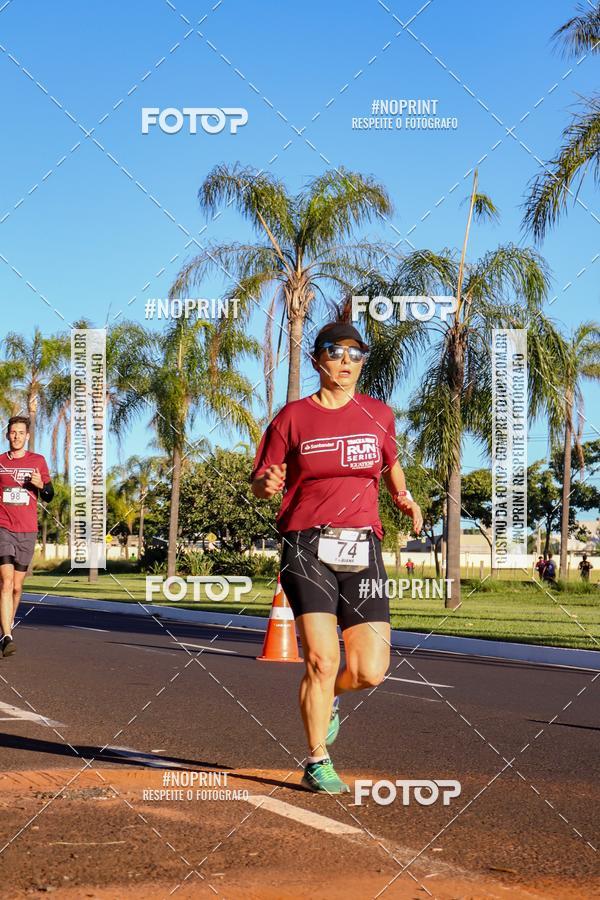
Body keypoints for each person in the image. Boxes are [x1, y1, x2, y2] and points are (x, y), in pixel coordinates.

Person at [250, 322, 422, 793]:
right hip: (307, 544)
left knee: (370, 670)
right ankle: (316, 758)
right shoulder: (292, 417)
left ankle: (329, 701)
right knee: (322, 661)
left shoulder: (379, 414)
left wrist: (403, 496)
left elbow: (389, 463)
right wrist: (266, 485)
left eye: (355, 354)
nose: (346, 362)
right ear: (317, 360)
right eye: (335, 352)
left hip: (362, 545)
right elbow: (263, 477)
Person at [0, 416, 54, 657]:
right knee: (6, 582)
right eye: (12, 432)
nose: (16, 436)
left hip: (28, 530)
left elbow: (50, 495)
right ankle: (9, 636)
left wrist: (41, 484)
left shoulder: (38, 461)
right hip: (3, 528)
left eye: (21, 432)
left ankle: (5, 631)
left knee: (17, 587)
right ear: (7, 435)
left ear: (27, 436)